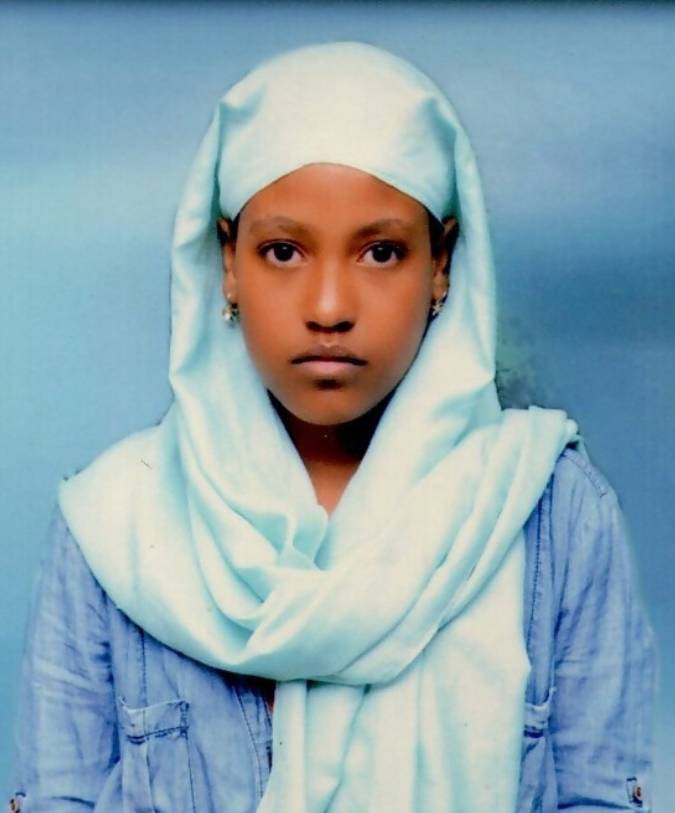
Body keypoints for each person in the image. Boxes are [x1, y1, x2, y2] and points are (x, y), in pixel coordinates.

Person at [10, 42, 654, 813]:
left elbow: (600, 797)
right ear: (228, 261)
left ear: (441, 263)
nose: (327, 307)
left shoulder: (550, 511)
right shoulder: (115, 523)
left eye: (380, 252)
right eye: (283, 251)